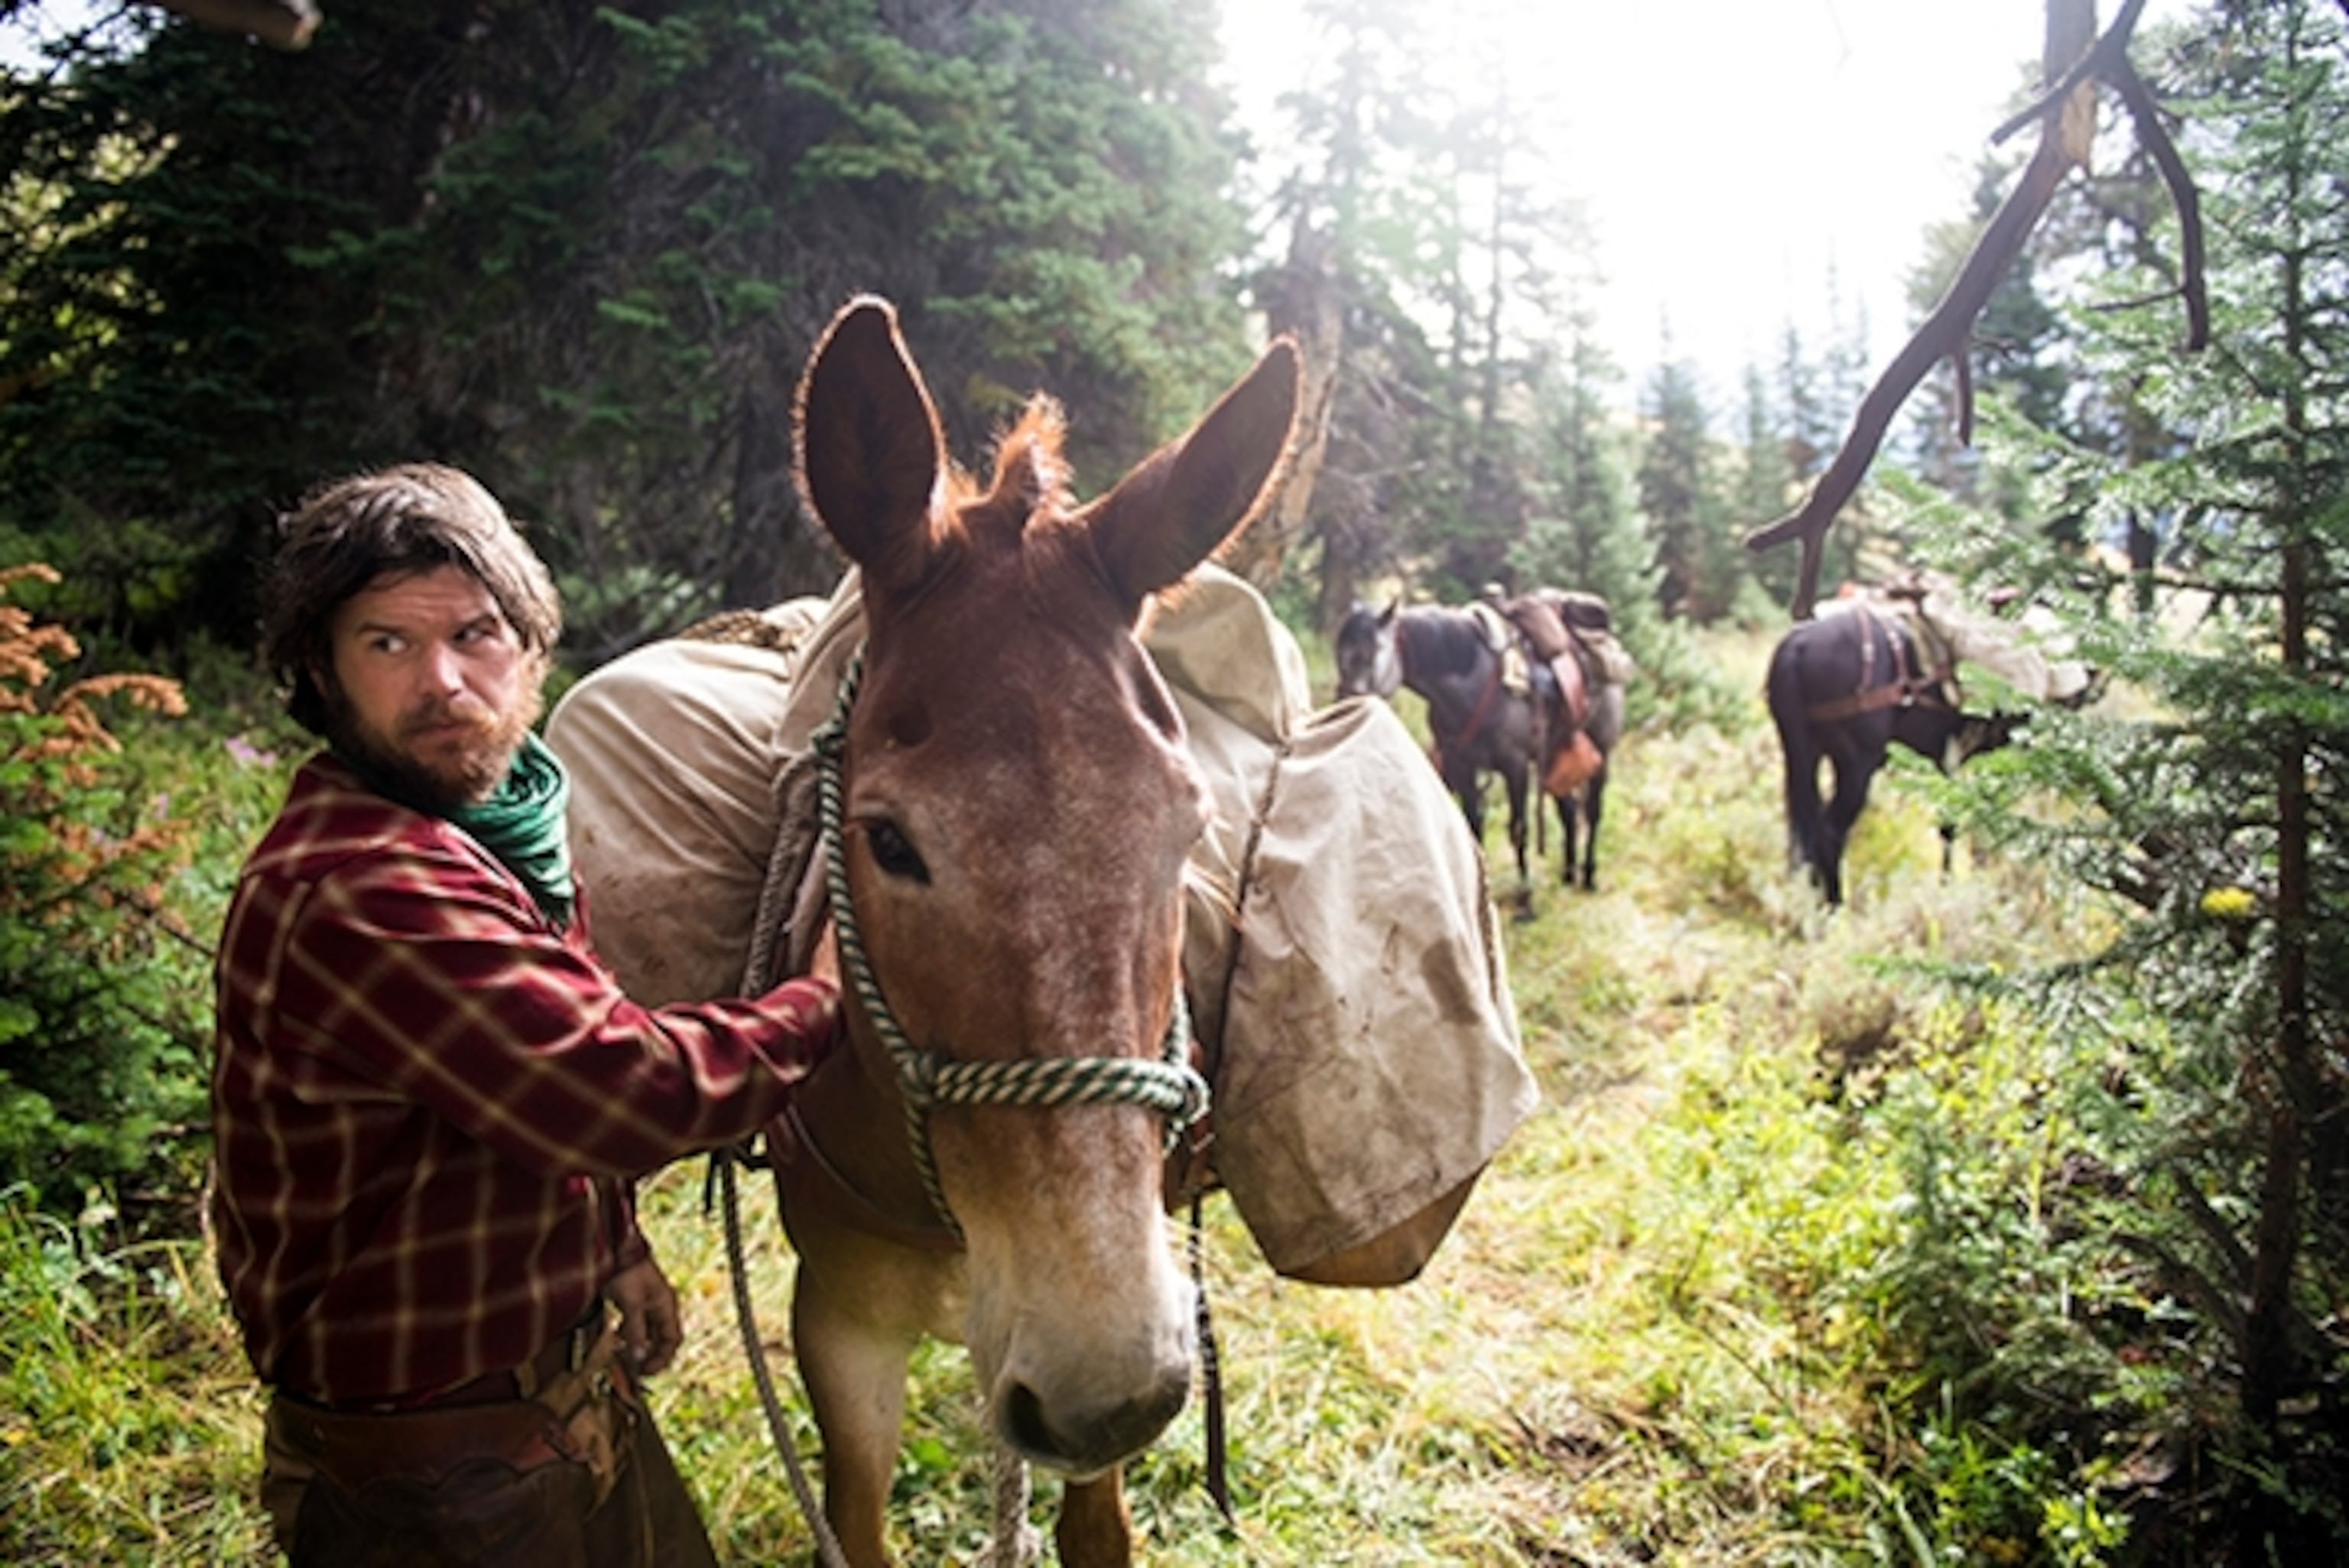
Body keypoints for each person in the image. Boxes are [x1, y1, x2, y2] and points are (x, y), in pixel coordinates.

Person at [209, 463, 841, 1567]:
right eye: (388, 645)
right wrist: (828, 994)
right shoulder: (365, 886)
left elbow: (525, 1082)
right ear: (322, 672)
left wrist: (614, 1249)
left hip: (551, 1408)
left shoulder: (488, 837)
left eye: (477, 634)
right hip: (432, 1483)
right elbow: (619, 1091)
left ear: (533, 652)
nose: (444, 682)